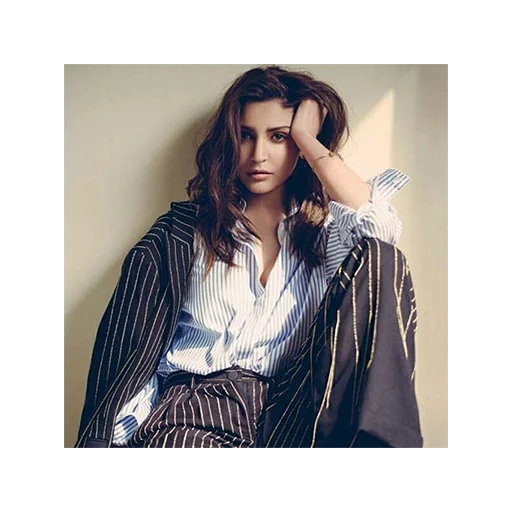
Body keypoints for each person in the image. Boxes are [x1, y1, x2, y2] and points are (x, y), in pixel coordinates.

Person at [75, 65, 422, 449]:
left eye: (279, 137)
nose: (259, 154)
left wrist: (308, 140)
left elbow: (381, 235)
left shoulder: (326, 236)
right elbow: (128, 350)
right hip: (197, 409)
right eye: (245, 135)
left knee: (381, 256)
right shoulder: (182, 233)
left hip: (293, 414)